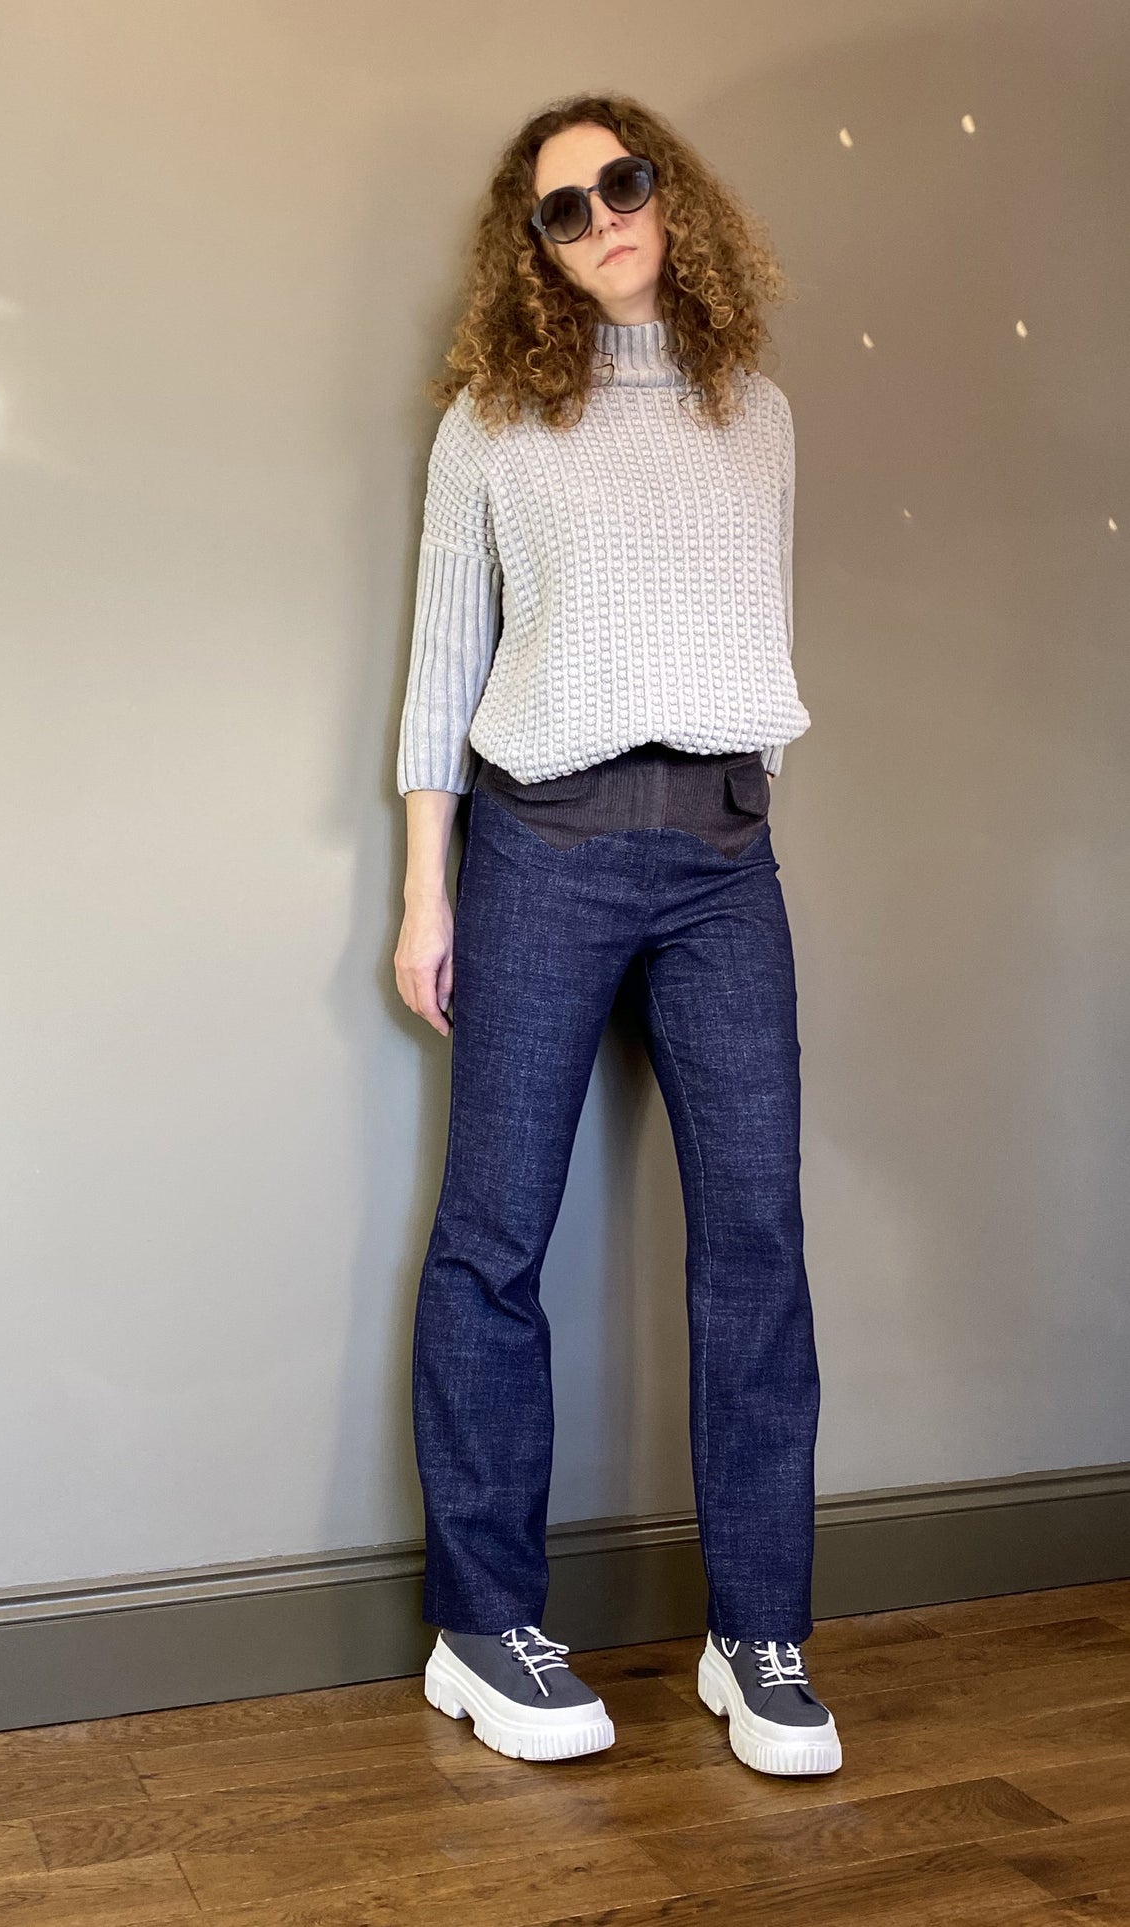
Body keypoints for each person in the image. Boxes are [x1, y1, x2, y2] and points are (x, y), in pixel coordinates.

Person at [392, 92, 842, 1777]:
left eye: (620, 187)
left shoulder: (759, 412)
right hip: (544, 849)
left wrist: (733, 789)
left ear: (673, 197)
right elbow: (445, 666)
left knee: (755, 1246)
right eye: (559, 214)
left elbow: (752, 623)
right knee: (492, 1237)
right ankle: (481, 1623)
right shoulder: (493, 423)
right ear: (534, 253)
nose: (599, 224)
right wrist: (427, 896)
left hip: (725, 864)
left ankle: (759, 1637)